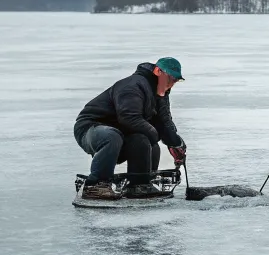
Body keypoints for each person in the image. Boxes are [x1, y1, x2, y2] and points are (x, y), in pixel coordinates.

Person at [74, 58, 188, 200]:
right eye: (170, 78)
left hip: (121, 132)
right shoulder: (133, 85)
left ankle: (140, 185)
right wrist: (155, 134)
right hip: (90, 128)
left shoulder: (160, 93)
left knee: (148, 143)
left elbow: (164, 121)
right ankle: (95, 185)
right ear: (158, 71)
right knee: (114, 136)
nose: (171, 83)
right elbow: (129, 118)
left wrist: (175, 143)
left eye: (175, 80)